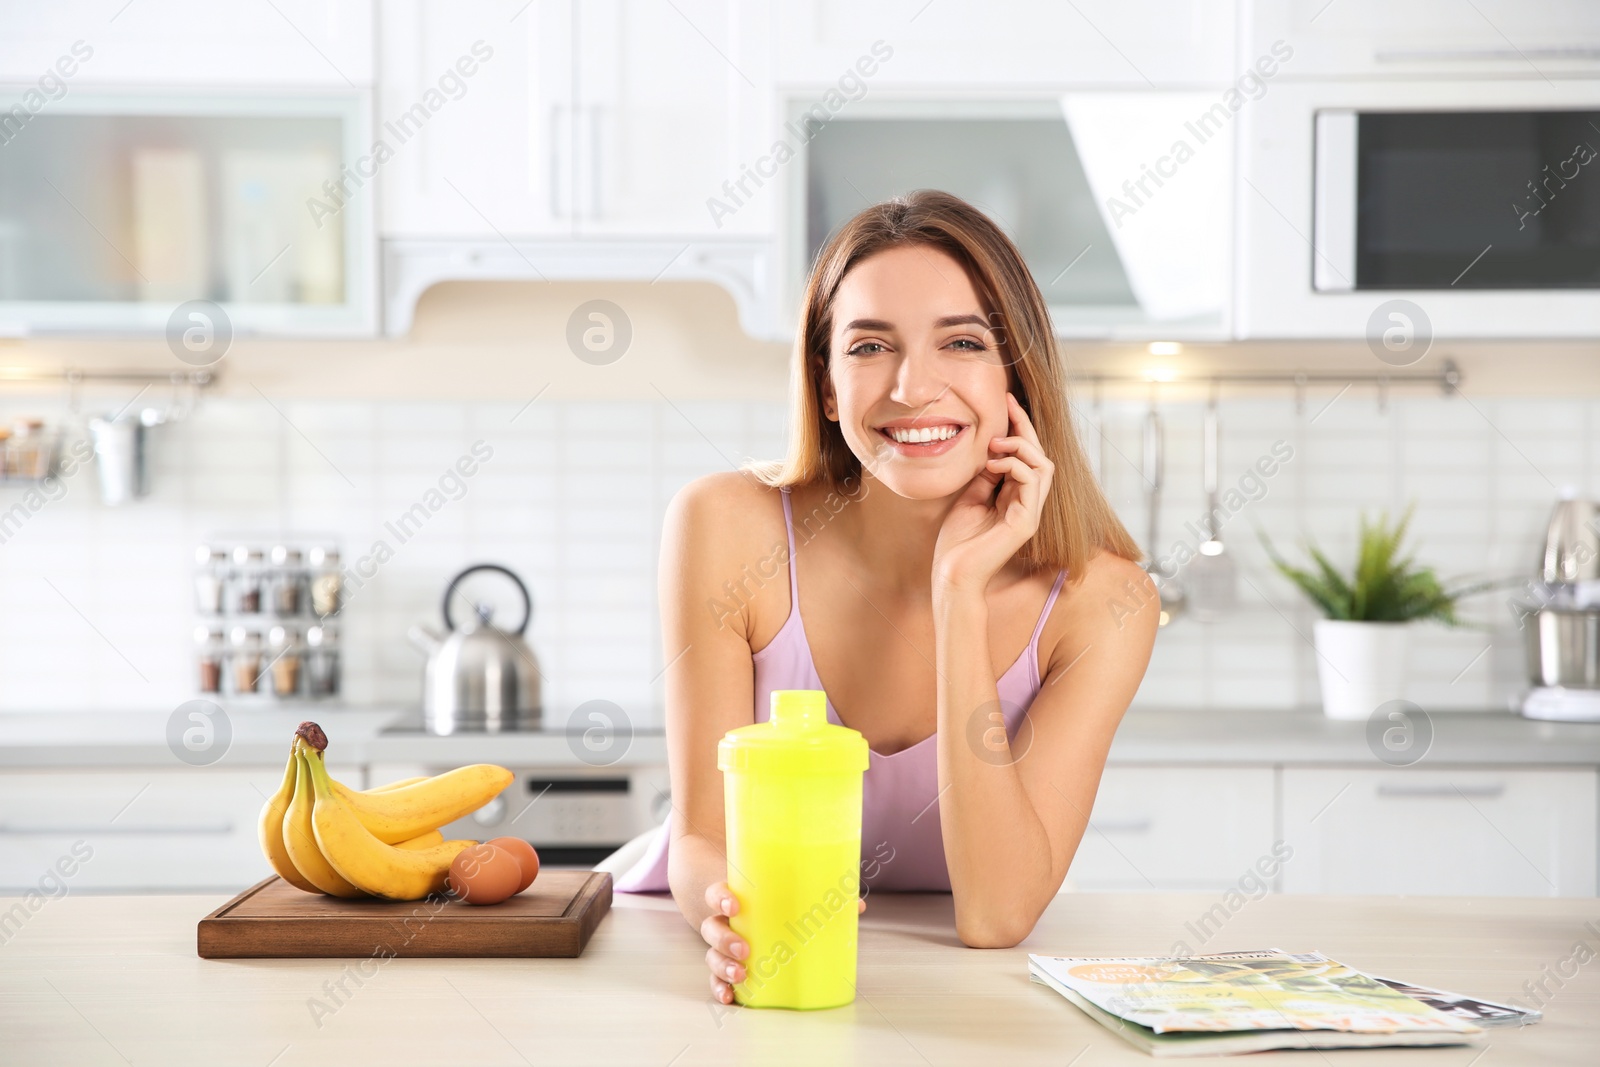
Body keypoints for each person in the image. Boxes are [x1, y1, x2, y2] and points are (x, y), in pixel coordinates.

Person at [611, 189, 1158, 1005]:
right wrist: (727, 909)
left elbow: (998, 915)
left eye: (963, 342)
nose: (912, 386)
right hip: (693, 956)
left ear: (1018, 375)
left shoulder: (1102, 602)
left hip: (959, 988)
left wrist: (959, 592)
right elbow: (699, 836)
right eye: (869, 346)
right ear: (828, 389)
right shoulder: (724, 526)